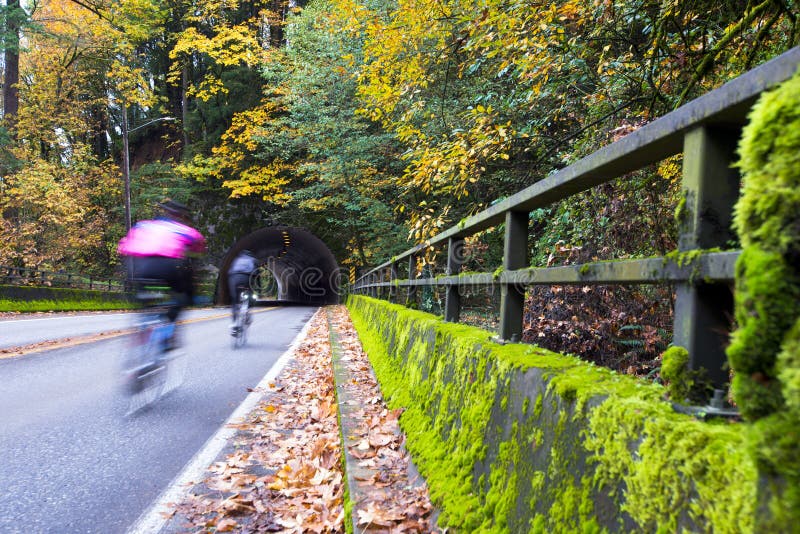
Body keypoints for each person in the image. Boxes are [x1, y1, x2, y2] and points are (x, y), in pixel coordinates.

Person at [117, 200, 206, 346]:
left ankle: (143, 322)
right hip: (167, 267)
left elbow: (123, 247)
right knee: (182, 297)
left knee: (143, 297)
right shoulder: (182, 229)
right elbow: (199, 247)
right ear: (180, 216)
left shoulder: (142, 225)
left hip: (141, 267)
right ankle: (169, 331)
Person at [227, 249, 257, 335]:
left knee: (235, 302)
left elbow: (230, 272)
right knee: (251, 295)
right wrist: (257, 288)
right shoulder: (252, 260)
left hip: (234, 279)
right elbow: (257, 273)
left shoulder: (237, 260)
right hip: (247, 278)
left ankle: (234, 324)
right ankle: (247, 312)